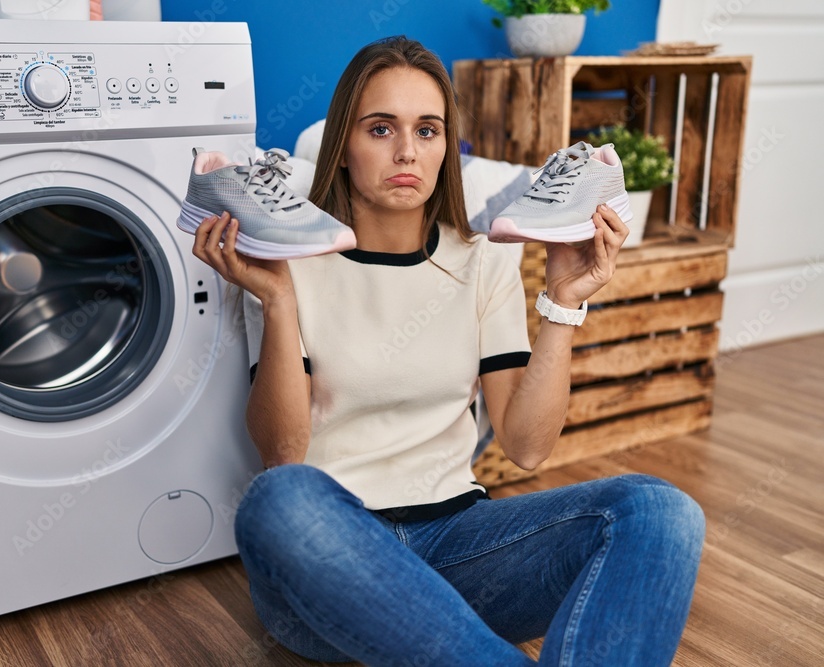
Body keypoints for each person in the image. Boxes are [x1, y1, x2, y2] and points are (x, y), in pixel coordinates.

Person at [191, 36, 705, 667]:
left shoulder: (481, 256)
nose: (407, 151)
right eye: (381, 128)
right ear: (343, 149)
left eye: (427, 131)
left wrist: (564, 300)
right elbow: (284, 451)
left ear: (445, 148)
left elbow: (526, 446)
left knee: (660, 510)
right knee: (277, 499)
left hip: (458, 546)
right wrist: (277, 302)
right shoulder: (283, 257)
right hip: (332, 559)